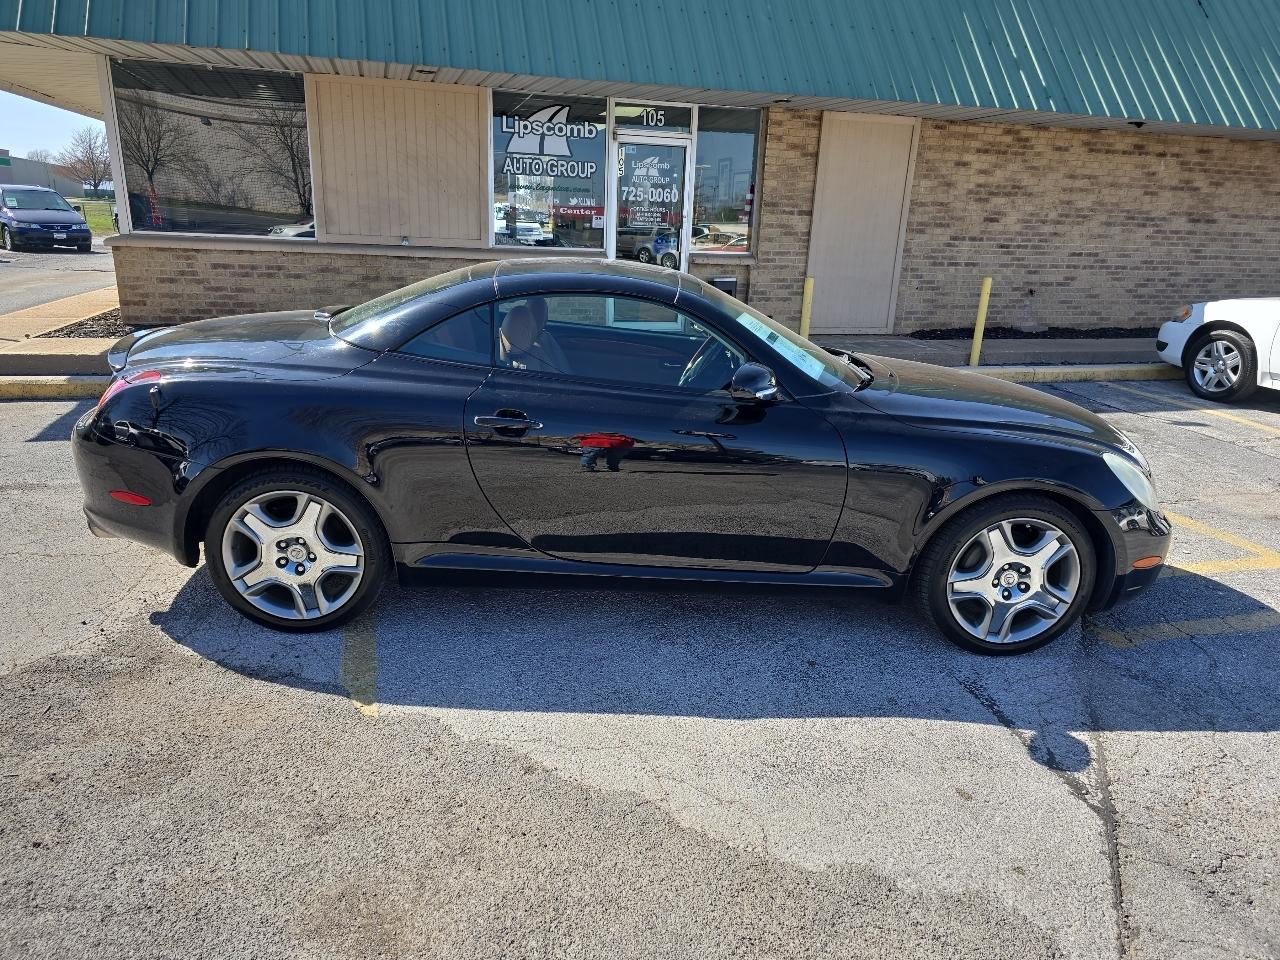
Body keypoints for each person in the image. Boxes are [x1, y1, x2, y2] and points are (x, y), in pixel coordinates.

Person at [498, 300, 570, 373]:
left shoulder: (537, 352)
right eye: (521, 328)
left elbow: (556, 376)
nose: (525, 333)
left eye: (527, 328)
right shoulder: (497, 358)